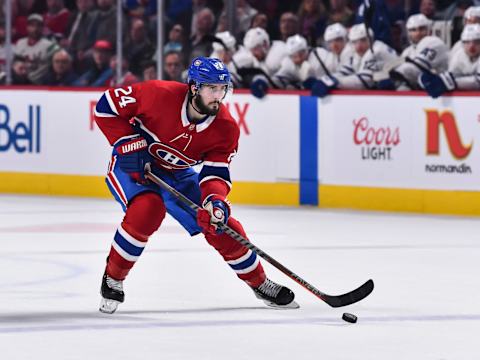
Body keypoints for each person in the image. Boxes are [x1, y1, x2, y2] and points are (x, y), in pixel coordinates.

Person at [93, 56, 298, 314]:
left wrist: (215, 202)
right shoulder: (158, 94)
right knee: (148, 209)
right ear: (193, 87)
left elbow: (216, 173)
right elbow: (105, 107)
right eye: (212, 88)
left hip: (179, 173)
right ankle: (113, 278)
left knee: (221, 224)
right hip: (134, 166)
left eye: (223, 89)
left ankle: (260, 283)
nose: (218, 95)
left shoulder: (225, 128)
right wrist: (127, 142)